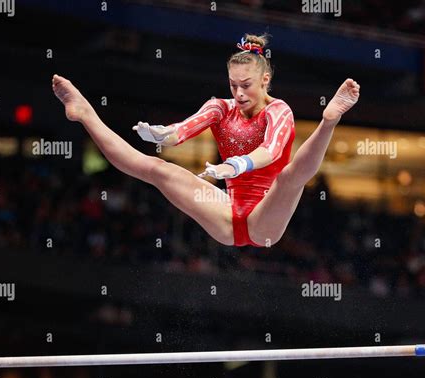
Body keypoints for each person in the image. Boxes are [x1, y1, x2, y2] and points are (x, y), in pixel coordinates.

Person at [52, 33, 360, 247]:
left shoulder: (279, 111)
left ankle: (329, 121)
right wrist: (163, 134)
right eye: (233, 84)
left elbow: (272, 150)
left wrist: (237, 165)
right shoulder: (220, 107)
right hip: (226, 215)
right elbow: (184, 129)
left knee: (289, 177)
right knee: (158, 170)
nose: (238, 93)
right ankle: (86, 114)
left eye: (247, 85)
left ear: (265, 79)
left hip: (266, 220)